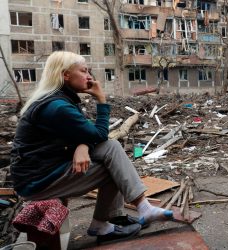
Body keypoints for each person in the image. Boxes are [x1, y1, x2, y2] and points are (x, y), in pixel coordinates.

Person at [10, 51, 173, 242]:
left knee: (110, 149)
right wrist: (101, 101)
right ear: (65, 75)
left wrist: (83, 146)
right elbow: (98, 134)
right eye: (84, 71)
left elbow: (84, 133)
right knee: (113, 163)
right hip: (37, 182)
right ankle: (115, 220)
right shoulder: (58, 107)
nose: (89, 76)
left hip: (45, 170)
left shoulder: (58, 99)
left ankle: (122, 216)